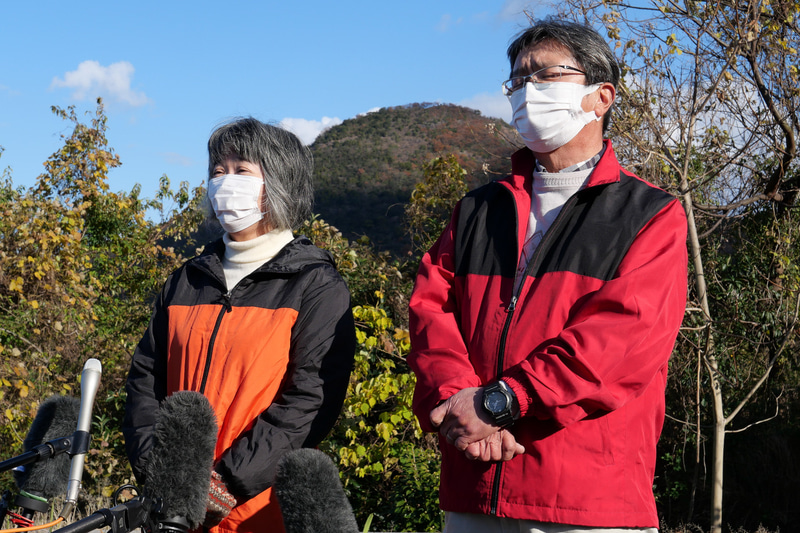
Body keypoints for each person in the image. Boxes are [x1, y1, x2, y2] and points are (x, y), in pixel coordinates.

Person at [408, 19, 688, 532]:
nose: (527, 91)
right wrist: (458, 404)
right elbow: (430, 312)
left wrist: (500, 401)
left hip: (585, 500)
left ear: (600, 97)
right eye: (517, 80)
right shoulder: (476, 210)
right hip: (474, 488)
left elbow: (619, 342)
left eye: (546, 75)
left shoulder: (649, 215)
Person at [122, 118, 356, 533]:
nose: (224, 182)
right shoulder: (187, 279)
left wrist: (227, 484)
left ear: (279, 181)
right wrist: (162, 473)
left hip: (260, 512)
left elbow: (309, 400)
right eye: (217, 170)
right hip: (172, 513)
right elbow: (146, 379)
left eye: (241, 170)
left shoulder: (314, 283)